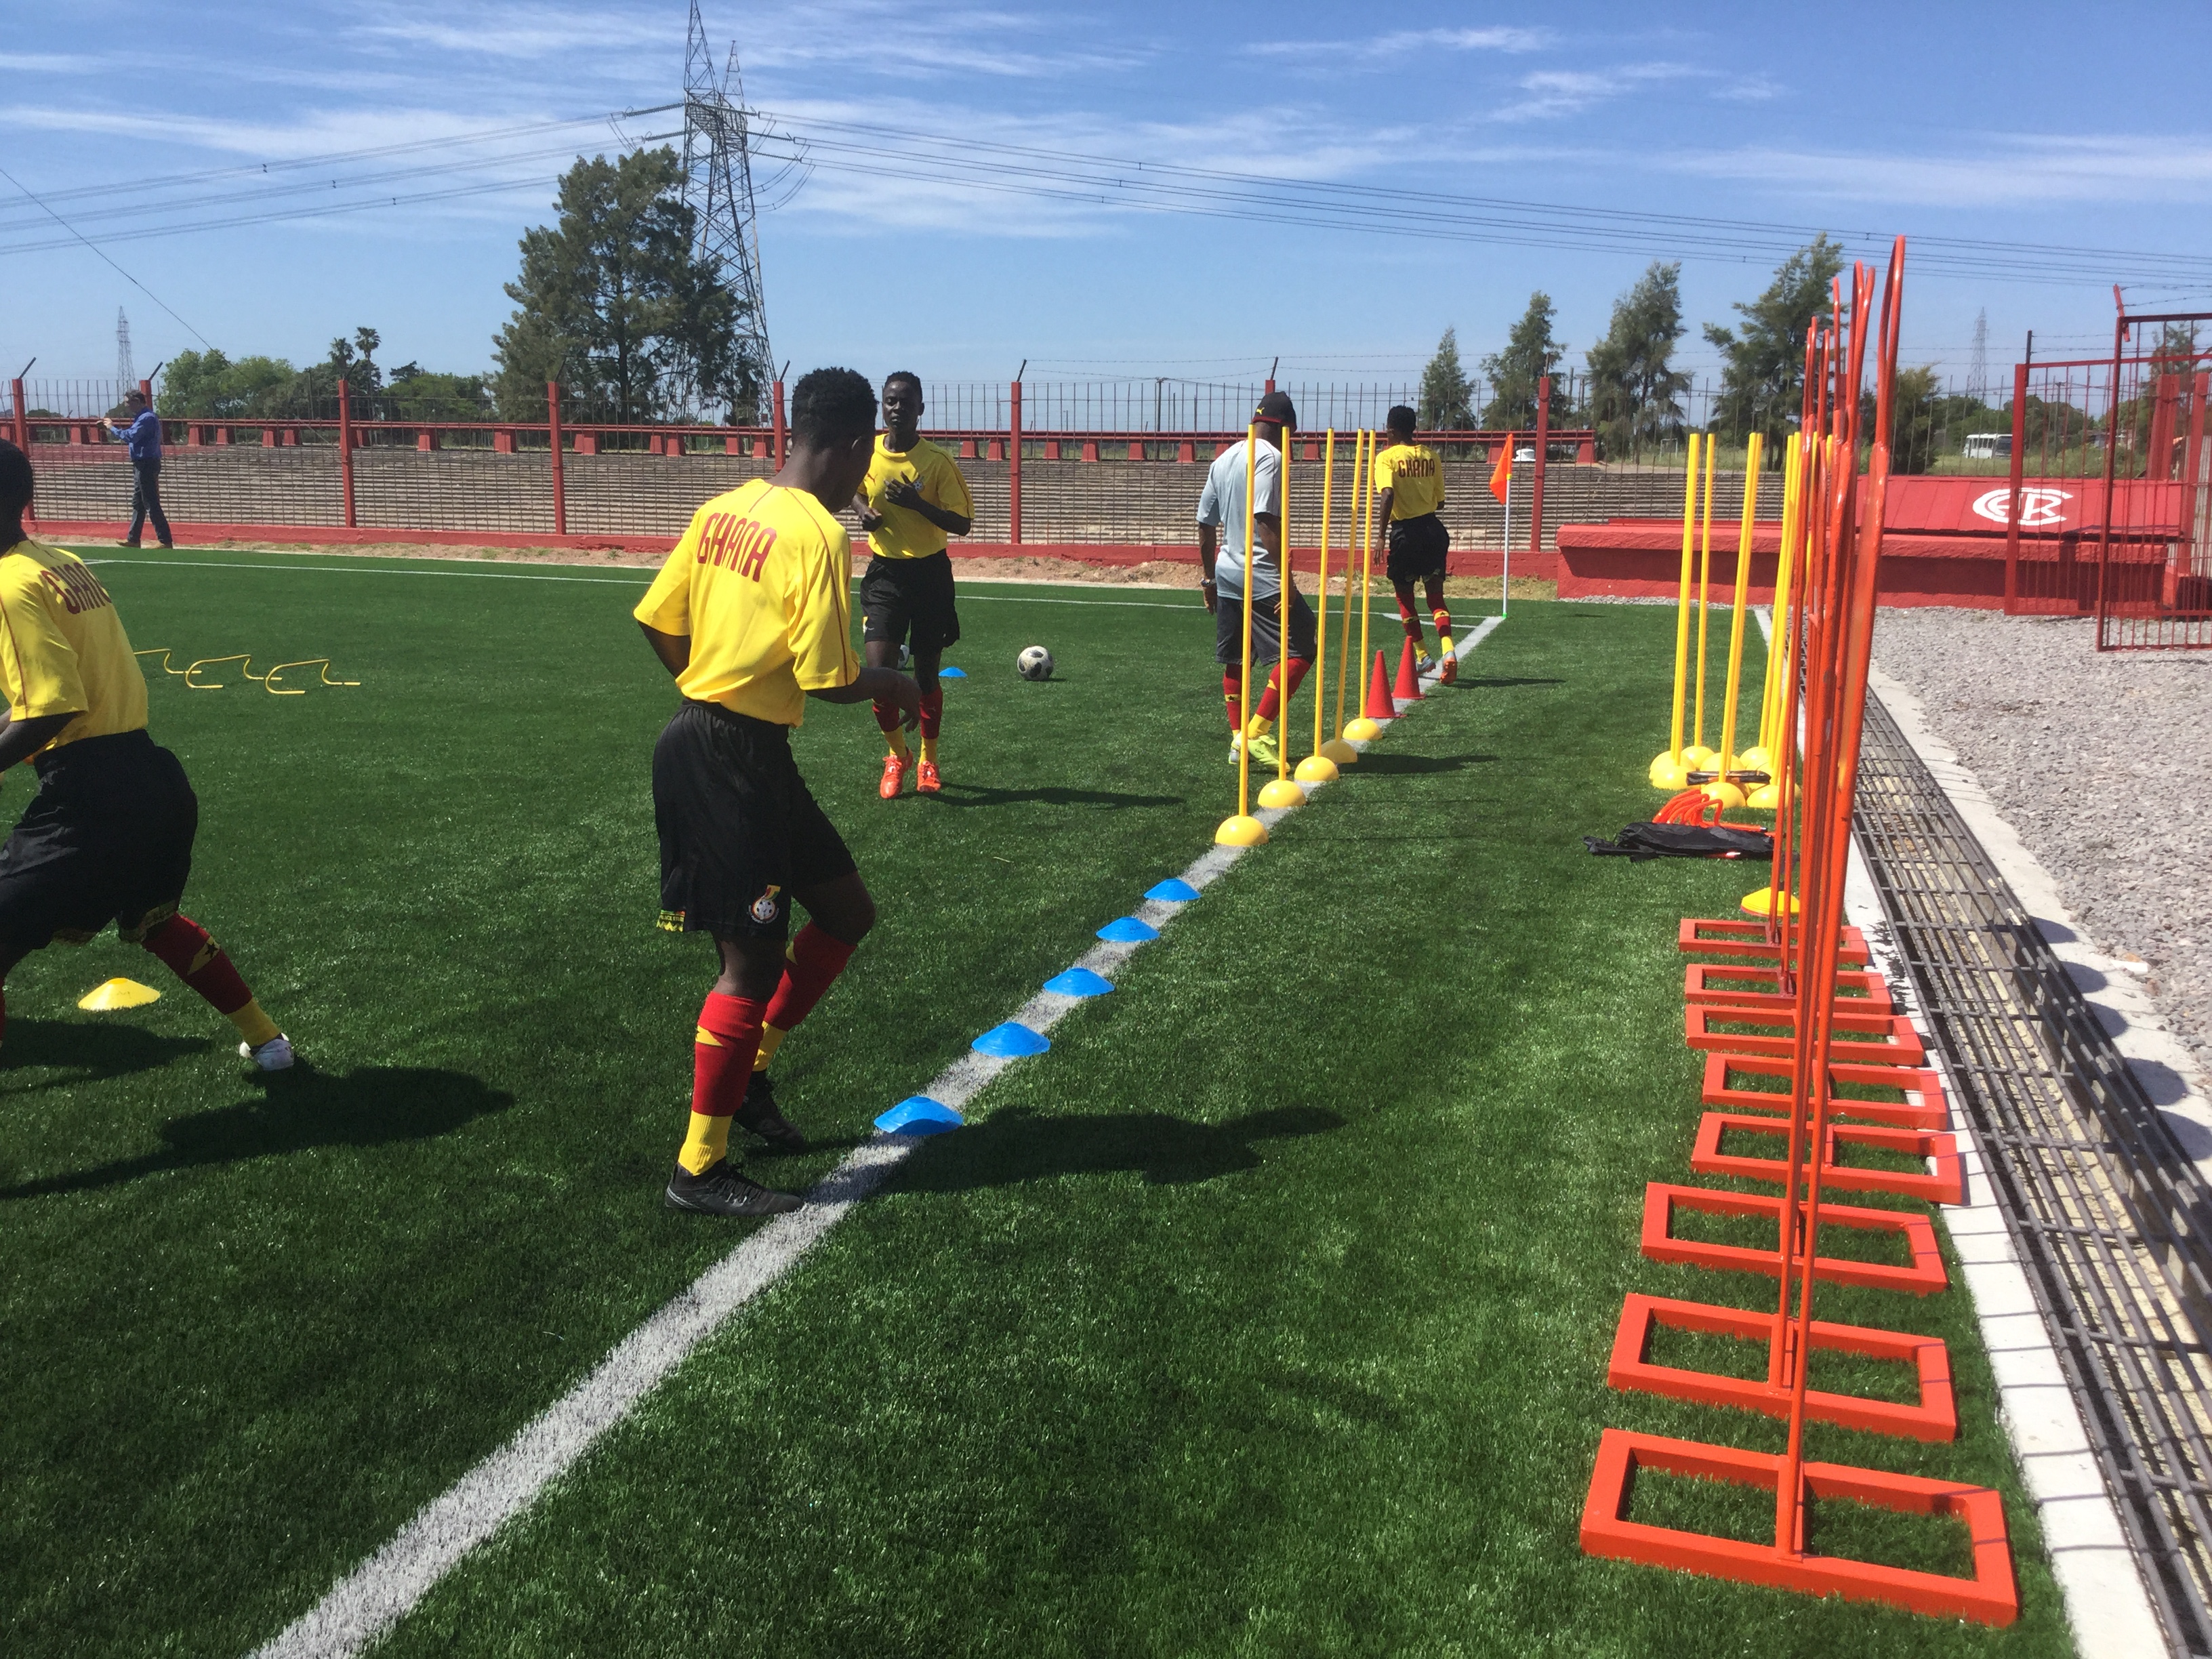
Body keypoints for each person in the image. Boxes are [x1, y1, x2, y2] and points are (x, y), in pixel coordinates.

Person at [636, 367, 921, 1218]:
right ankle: (699, 1168)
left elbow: (656, 617)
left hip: (732, 747)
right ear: (855, 445)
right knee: (749, 963)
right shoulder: (815, 534)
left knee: (845, 913)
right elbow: (828, 676)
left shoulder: (725, 507)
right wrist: (894, 688)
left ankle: (753, 1076)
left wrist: (707, 686)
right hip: (730, 761)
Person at [0, 441, 291, 1069]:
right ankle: (269, 1041)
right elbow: (59, 696)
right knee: (155, 923)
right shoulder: (58, 562)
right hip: (153, 781)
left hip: (90, 798)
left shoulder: (7, 584)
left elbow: (54, 708)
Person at [855, 371, 973, 798]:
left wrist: (917, 504)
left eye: (906, 402)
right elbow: (845, 487)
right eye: (890, 401)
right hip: (884, 575)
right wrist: (860, 509)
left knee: (925, 673)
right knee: (879, 673)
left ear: (920, 409)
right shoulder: (865, 452)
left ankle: (928, 759)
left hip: (930, 576)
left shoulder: (937, 462)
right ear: (882, 407)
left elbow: (963, 524)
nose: (897, 408)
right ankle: (896, 754)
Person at [1196, 390, 1315, 769]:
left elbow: (1204, 522)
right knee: (1302, 647)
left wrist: (1209, 580)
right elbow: (1266, 520)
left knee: (1238, 659)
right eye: (1292, 435)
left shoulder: (1226, 457)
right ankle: (1256, 733)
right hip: (1261, 573)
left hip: (1228, 572)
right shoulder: (1271, 457)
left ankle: (1236, 742)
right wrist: (1288, 581)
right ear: (1284, 428)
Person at [1372, 404, 1455, 684]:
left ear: (1392, 430)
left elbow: (1387, 495)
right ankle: (1449, 651)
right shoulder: (1432, 456)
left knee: (1405, 597)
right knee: (1436, 598)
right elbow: (1441, 501)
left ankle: (1422, 656)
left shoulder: (1386, 458)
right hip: (1433, 529)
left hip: (1405, 533)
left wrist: (1381, 536)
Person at [104, 390, 173, 550]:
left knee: (150, 502)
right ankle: (134, 538)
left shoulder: (147, 418)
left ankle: (165, 539)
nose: (127, 406)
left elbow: (131, 436)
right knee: (138, 503)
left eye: (128, 402)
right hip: (141, 464)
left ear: (137, 401)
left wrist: (112, 428)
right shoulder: (142, 417)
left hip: (146, 464)